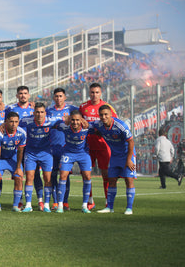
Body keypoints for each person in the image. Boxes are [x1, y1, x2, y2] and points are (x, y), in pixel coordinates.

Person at [79, 82, 117, 210]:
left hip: (103, 145)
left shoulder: (107, 107)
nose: (94, 95)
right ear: (89, 93)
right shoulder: (83, 107)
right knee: (86, 174)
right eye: (92, 92)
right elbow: (78, 121)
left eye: (97, 92)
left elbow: (114, 123)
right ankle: (90, 201)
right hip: (87, 145)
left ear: (101, 93)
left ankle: (108, 201)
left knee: (106, 174)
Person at [94, 105, 136, 215]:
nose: (103, 117)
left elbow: (131, 141)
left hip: (127, 155)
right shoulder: (99, 125)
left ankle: (129, 208)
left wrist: (129, 160)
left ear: (111, 114)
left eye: (106, 114)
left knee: (128, 180)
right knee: (111, 180)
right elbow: (86, 124)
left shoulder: (120, 125)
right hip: (114, 156)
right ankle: (110, 207)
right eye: (101, 115)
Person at [19, 102, 58, 212]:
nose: (39, 114)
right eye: (37, 112)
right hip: (31, 153)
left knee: (47, 178)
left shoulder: (51, 121)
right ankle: (28, 205)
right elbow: (14, 123)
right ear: (33, 113)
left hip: (46, 153)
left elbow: (64, 123)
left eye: (41, 112)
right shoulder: (27, 120)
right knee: (29, 177)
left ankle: (46, 205)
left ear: (45, 113)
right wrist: (3, 125)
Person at [53, 110, 92, 213]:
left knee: (87, 176)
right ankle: (60, 205)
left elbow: (98, 130)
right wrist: (62, 120)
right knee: (63, 175)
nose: (75, 122)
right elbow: (54, 124)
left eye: (77, 120)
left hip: (83, 154)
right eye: (73, 120)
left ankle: (84, 205)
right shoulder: (65, 126)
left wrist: (88, 125)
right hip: (68, 153)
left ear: (81, 120)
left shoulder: (87, 127)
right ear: (70, 120)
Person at [46, 88, 78, 211]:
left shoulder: (72, 110)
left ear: (65, 97)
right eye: (56, 96)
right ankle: (55, 201)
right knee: (52, 175)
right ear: (53, 98)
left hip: (66, 148)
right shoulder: (48, 110)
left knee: (65, 175)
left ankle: (65, 201)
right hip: (52, 147)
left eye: (61, 96)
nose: (58, 98)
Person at [0, 111, 27, 212]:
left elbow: (20, 151)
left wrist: (19, 167)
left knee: (19, 177)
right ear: (6, 122)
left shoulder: (22, 133)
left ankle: (15, 206)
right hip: (1, 158)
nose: (13, 124)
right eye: (11, 121)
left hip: (13, 157)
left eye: (16, 122)